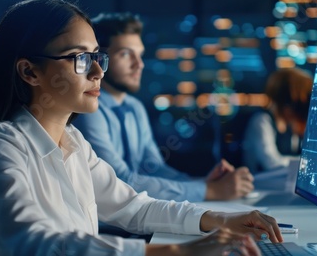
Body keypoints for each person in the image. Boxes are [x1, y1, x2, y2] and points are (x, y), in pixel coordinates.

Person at [0, 0, 283, 256]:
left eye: (97, 56)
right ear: (30, 71)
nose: (98, 72)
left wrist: (222, 219)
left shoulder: (73, 141)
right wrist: (178, 251)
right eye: (80, 58)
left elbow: (134, 206)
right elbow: (34, 245)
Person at [73, 12, 254, 202]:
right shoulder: (89, 109)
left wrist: (202, 184)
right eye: (125, 54)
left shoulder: (134, 108)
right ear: (101, 58)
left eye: (140, 55)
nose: (139, 64)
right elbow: (119, 181)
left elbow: (155, 168)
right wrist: (208, 191)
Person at [242, 67, 313, 174]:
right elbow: (271, 163)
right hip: (260, 187)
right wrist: (308, 163)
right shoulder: (262, 121)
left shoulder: (292, 126)